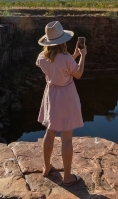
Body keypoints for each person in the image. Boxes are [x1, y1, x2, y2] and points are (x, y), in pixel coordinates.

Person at [36, 21, 87, 186]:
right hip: (66, 97)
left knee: (49, 133)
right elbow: (77, 73)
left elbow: (58, 67)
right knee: (66, 138)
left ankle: (46, 167)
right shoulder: (65, 59)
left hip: (51, 95)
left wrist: (74, 56)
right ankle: (67, 176)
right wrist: (83, 56)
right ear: (62, 41)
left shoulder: (42, 57)